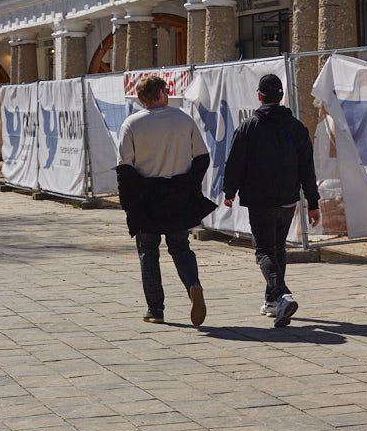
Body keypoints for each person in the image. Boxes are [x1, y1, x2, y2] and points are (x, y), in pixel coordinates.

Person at [222, 73, 321, 328]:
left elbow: (235, 163)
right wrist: (313, 202)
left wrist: (229, 191)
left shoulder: (248, 127)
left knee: (265, 251)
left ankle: (282, 295)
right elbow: (307, 168)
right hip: (287, 200)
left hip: (260, 200)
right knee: (277, 250)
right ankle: (272, 302)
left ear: (259, 96)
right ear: (281, 96)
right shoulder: (297, 128)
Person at [116, 74, 213, 326]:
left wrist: (128, 205)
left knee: (148, 252)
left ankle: (155, 309)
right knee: (180, 246)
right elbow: (202, 157)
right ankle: (193, 284)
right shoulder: (183, 119)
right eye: (166, 90)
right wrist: (190, 183)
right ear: (160, 93)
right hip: (178, 193)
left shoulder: (131, 124)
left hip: (146, 196)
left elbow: (124, 170)